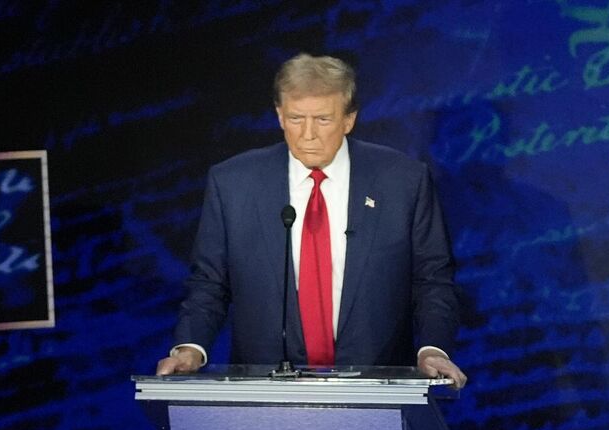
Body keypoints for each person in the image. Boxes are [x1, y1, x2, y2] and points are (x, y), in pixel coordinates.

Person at [155, 53, 466, 387]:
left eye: (322, 120)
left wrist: (433, 349)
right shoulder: (233, 183)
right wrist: (190, 346)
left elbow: (432, 279)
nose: (307, 134)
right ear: (279, 116)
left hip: (377, 385)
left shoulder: (403, 181)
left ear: (349, 120)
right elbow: (210, 282)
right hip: (265, 390)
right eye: (296, 118)